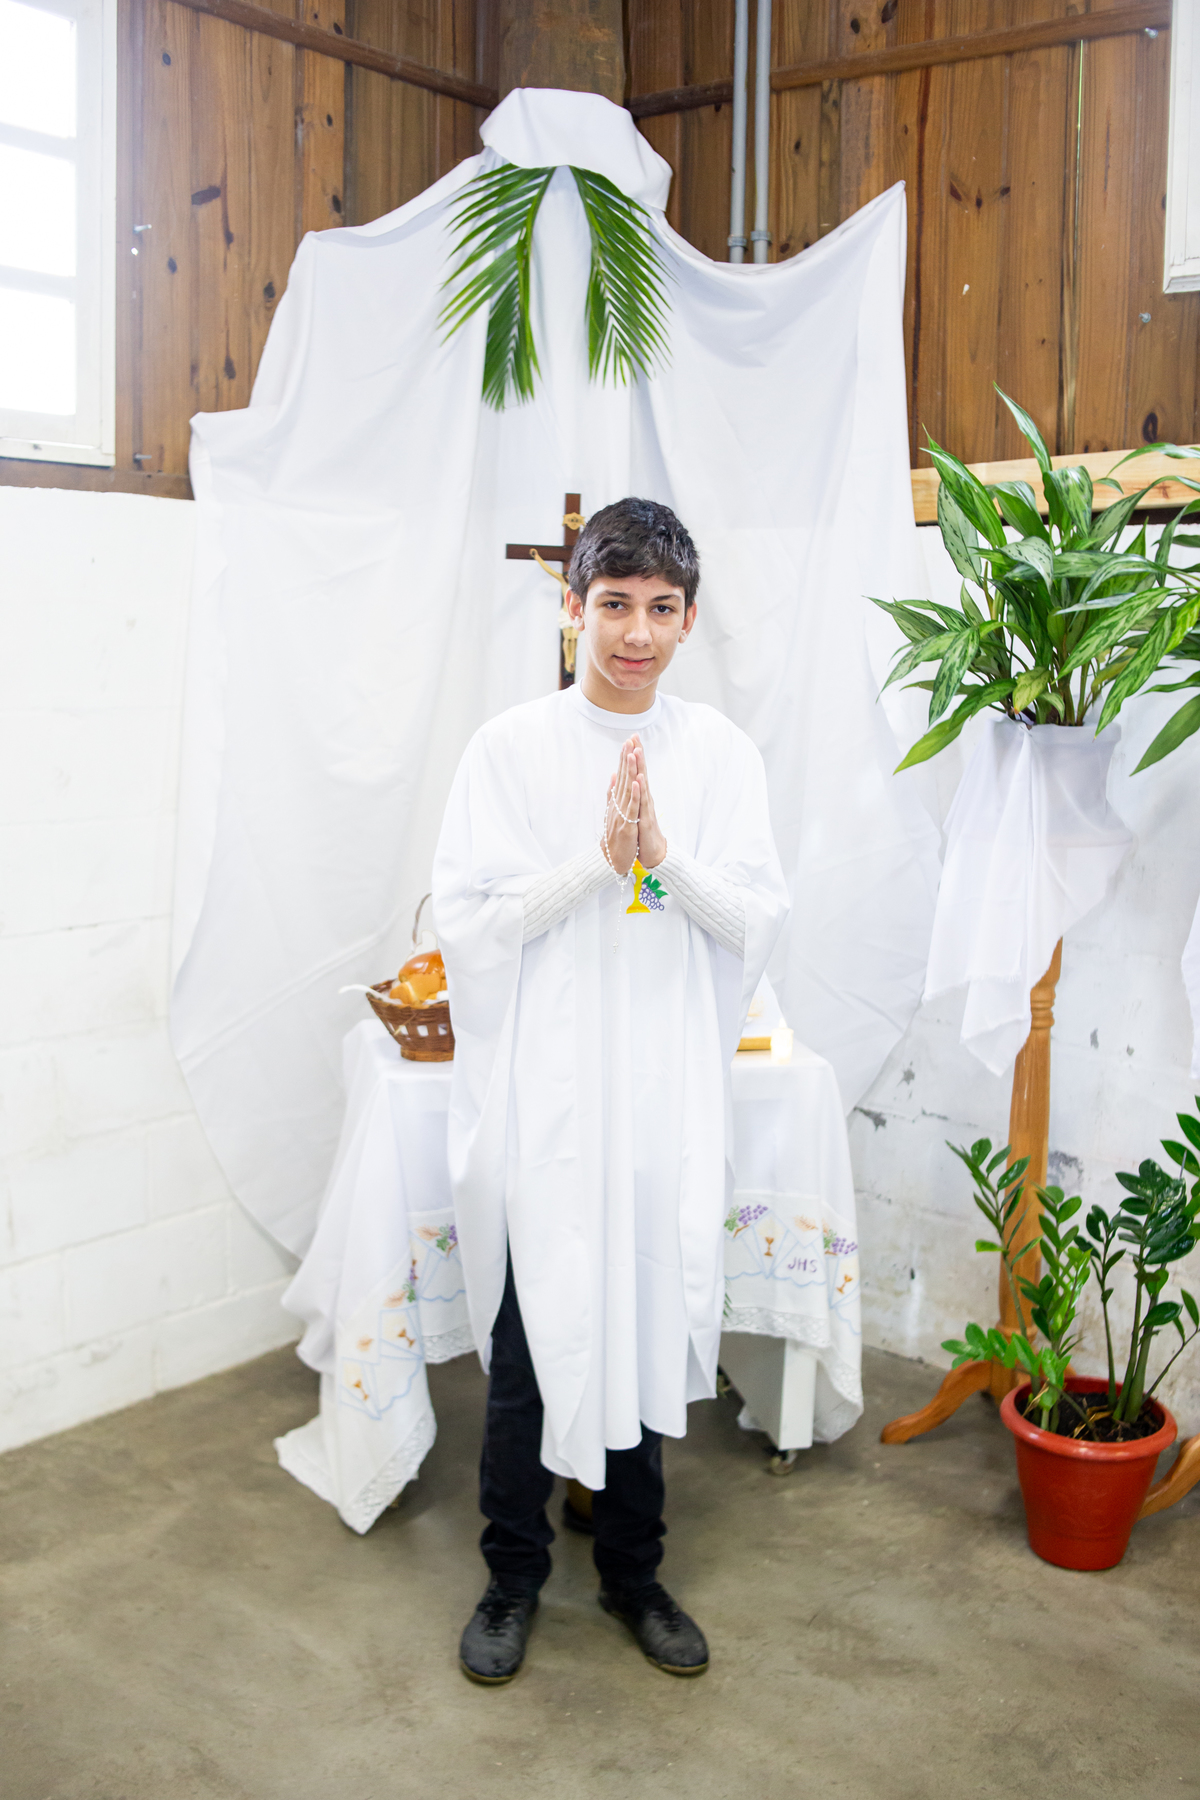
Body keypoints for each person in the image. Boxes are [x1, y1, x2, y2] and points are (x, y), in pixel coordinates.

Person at [432, 497, 789, 1685]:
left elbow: (756, 922)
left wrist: (661, 862)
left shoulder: (719, 756)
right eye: (616, 604)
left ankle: (635, 1574)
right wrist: (598, 863)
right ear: (573, 605)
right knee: (529, 1355)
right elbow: (471, 926)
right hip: (546, 1108)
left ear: (688, 620)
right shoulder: (509, 750)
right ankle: (510, 1579)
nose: (637, 632)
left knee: (643, 1327)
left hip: (660, 1106)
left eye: (662, 608)